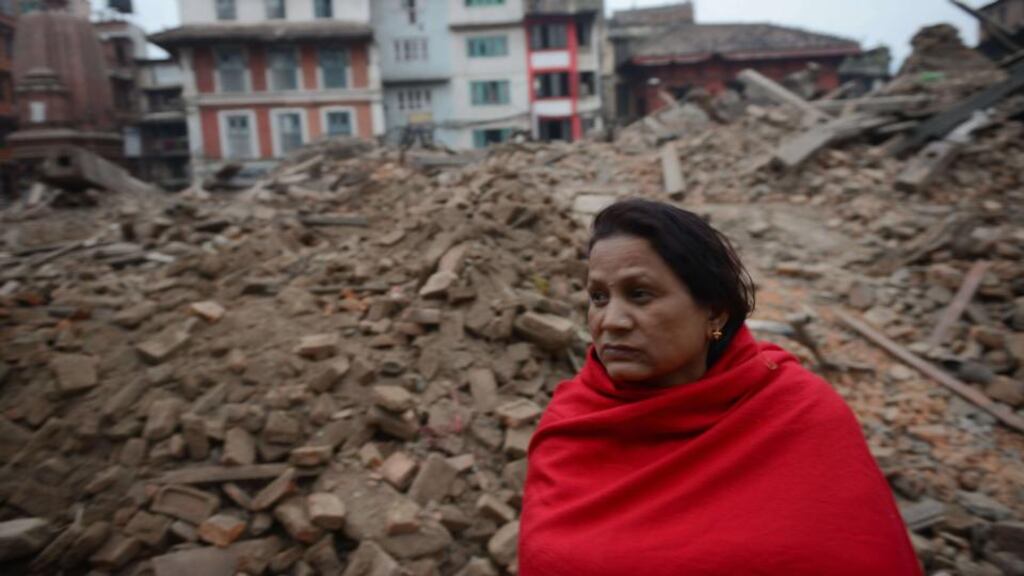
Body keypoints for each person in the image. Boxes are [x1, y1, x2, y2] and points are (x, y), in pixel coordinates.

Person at [519, 199, 921, 576]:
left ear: (714, 310)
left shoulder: (797, 414)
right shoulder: (573, 422)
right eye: (598, 297)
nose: (612, 320)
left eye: (639, 294)